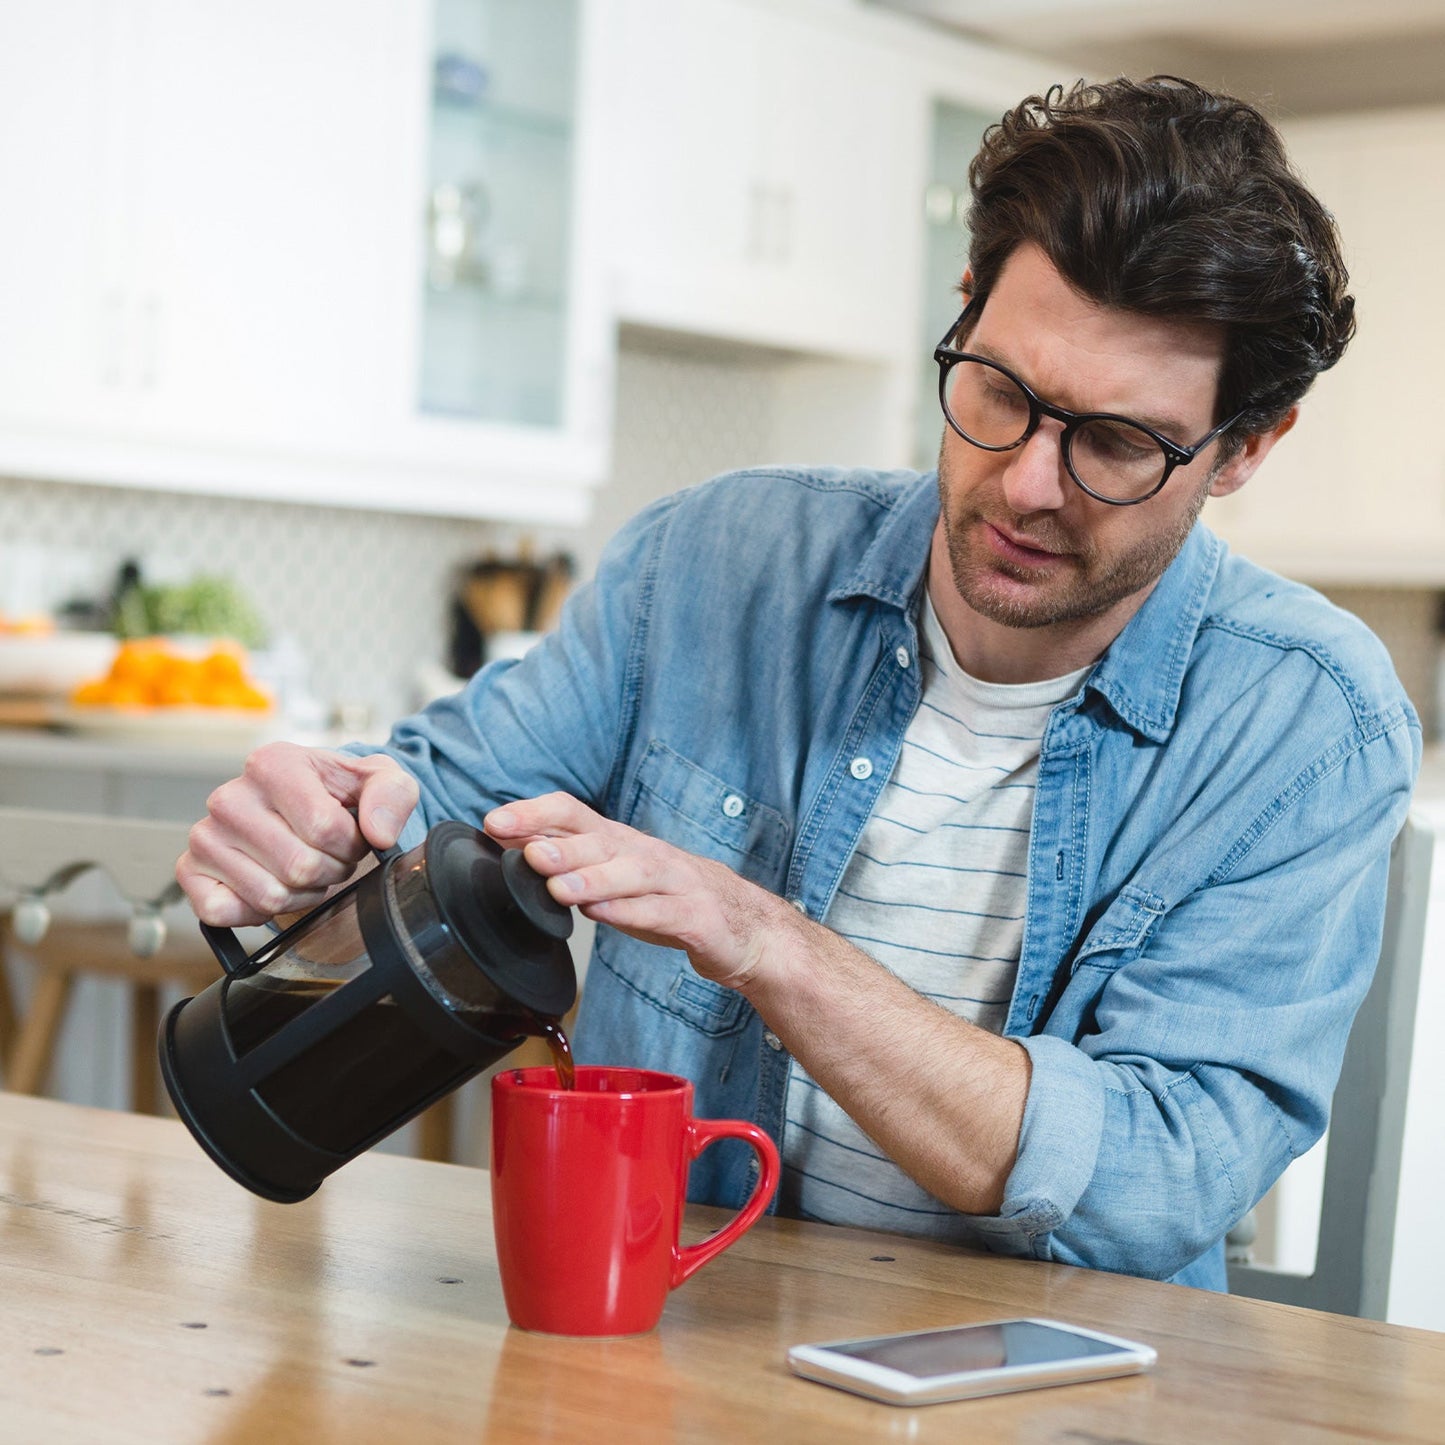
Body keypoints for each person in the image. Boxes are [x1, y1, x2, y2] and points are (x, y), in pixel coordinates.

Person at [179, 76, 1420, 1290]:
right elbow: (439, 801)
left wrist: (769, 941)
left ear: (1248, 445)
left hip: (1050, 1390)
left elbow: (1157, 1175)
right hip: (683, 1346)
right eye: (996, 391)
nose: (1028, 484)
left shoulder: (1305, 723)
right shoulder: (712, 562)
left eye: (1112, 441)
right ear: (962, 308)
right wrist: (322, 828)